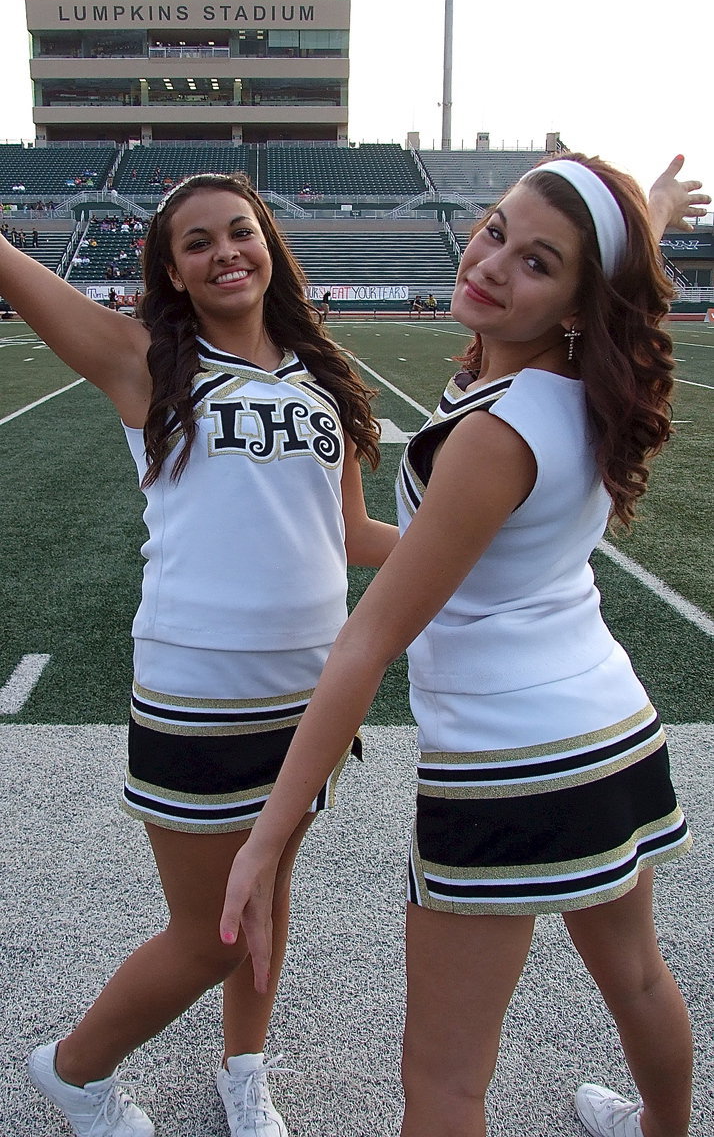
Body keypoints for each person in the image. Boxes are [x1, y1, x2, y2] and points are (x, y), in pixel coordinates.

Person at [220, 155, 710, 1137]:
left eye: (536, 262)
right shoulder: (575, 384)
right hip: (611, 735)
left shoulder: (494, 435)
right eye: (495, 229)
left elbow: (369, 643)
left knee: (444, 1085)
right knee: (640, 980)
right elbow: (464, 559)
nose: (490, 263)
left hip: (506, 768)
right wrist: (645, 211)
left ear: (577, 300)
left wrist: (265, 839)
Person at [0, 171, 397, 1137]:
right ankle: (74, 1069)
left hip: (312, 691)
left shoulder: (324, 375)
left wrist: (477, 549)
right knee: (209, 931)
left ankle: (244, 1068)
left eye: (241, 231)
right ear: (171, 272)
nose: (226, 251)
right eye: (197, 242)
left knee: (273, 888)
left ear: (269, 245)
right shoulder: (145, 363)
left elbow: (347, 536)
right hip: (198, 689)